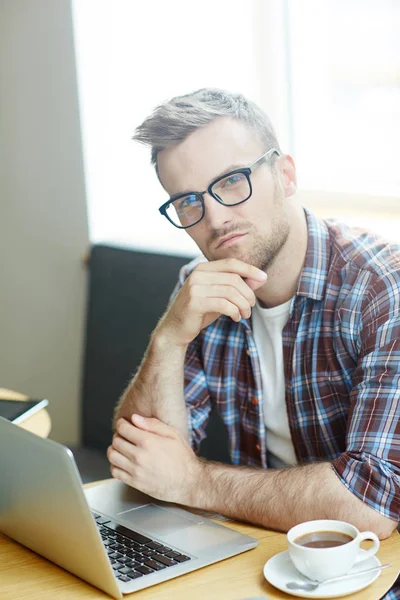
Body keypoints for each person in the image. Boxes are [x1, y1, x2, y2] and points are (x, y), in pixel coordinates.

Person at [108, 88, 399, 597]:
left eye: (232, 182)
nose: (216, 218)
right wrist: (169, 338)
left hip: (373, 572)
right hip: (267, 557)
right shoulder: (200, 290)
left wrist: (192, 481)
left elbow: (368, 507)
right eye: (189, 201)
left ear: (285, 175)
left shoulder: (382, 289)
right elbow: (141, 463)